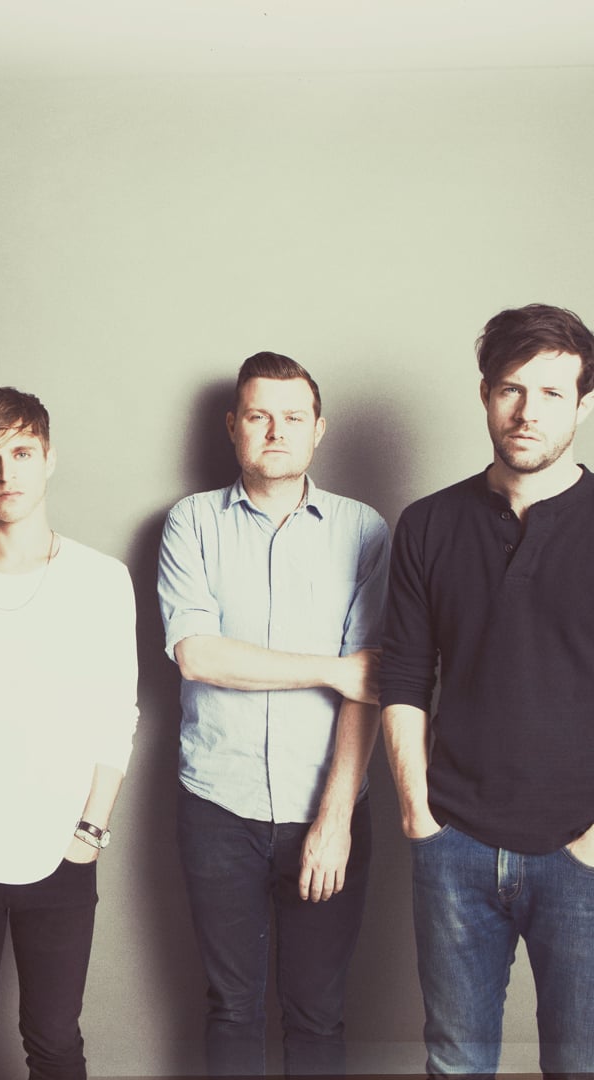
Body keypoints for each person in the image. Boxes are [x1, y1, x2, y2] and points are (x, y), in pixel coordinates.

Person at [158, 352, 389, 1077]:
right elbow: (198, 656)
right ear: (233, 426)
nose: (276, 431)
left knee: (317, 1014)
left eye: (293, 417)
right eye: (259, 416)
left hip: (327, 805)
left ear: (318, 429)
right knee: (230, 1007)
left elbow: (370, 684)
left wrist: (335, 819)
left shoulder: (364, 530)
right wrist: (329, 669)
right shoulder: (192, 521)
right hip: (216, 806)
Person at [381, 303, 594, 1079]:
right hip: (455, 846)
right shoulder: (428, 523)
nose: (528, 411)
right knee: (456, 1066)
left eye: (552, 393)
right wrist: (419, 814)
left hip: (582, 853)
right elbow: (404, 674)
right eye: (511, 389)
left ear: (583, 405)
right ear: (485, 394)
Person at [0, 386, 138, 1080]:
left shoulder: (102, 579)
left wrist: (89, 833)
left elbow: (116, 714)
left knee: (55, 1039)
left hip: (63, 847)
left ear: (48, 459)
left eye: (22, 453)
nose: (6, 473)